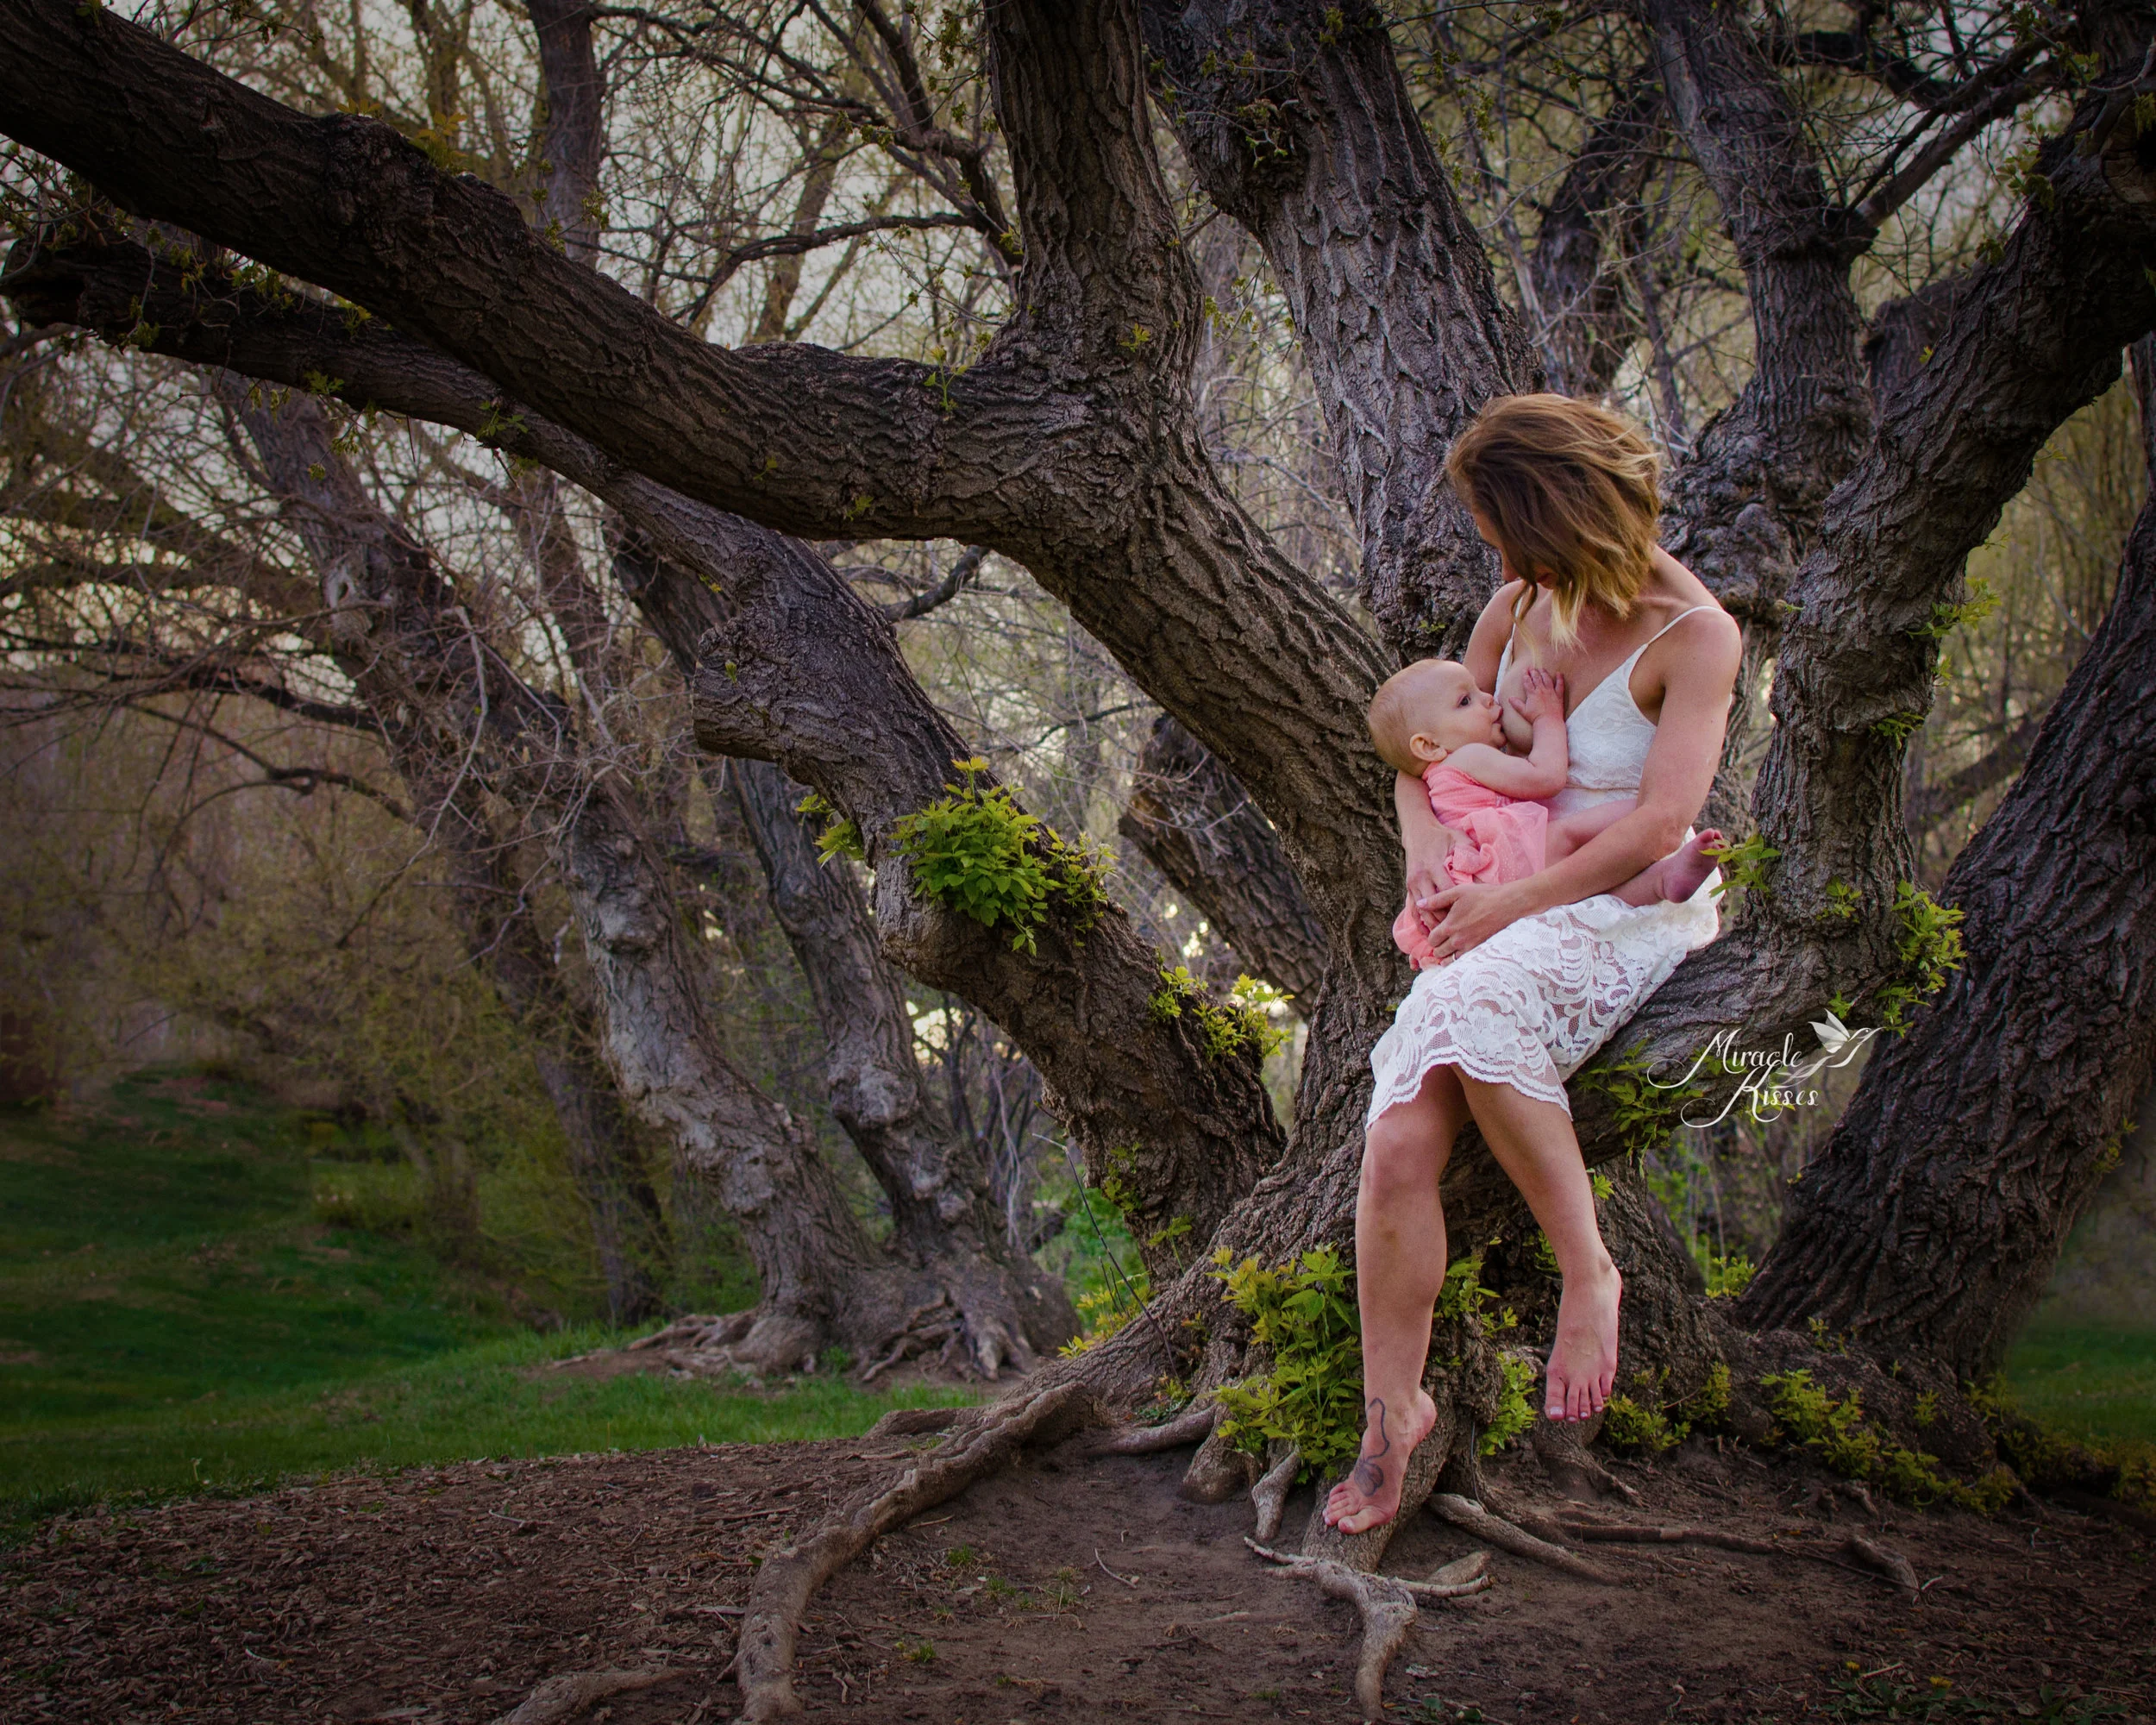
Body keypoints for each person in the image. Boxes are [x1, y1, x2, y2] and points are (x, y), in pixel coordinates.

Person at [1324, 393, 1740, 1536]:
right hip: (1498, 892)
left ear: (1561, 510)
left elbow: (1661, 826)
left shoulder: (1693, 637)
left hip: (1616, 907)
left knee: (1477, 998)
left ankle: (1590, 1274)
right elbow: (1431, 762)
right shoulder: (1517, 606)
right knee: (1400, 1134)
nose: (1497, 559)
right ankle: (1391, 1411)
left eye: (1505, 529)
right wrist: (1430, 866)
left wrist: (1509, 899)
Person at [1367, 658, 1725, 969]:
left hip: (1474, 882)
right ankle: (1653, 829)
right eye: (1466, 701)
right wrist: (1547, 719)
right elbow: (1547, 777)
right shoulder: (1469, 757)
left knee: (1581, 897)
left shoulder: (1434, 774)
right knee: (1572, 836)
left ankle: (1660, 883)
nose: (1488, 698)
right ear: (1429, 745)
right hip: (1497, 863)